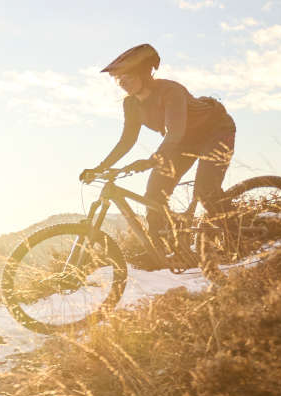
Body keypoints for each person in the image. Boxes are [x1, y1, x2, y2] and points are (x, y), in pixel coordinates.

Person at [81, 43, 239, 261]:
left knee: (205, 190)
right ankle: (164, 254)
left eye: (127, 76)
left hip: (215, 131)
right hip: (183, 142)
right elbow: (127, 140)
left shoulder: (170, 91)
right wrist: (100, 168)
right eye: (118, 79)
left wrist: (152, 160)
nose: (122, 83)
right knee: (154, 196)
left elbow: (174, 132)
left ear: (144, 74)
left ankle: (237, 240)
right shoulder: (131, 105)